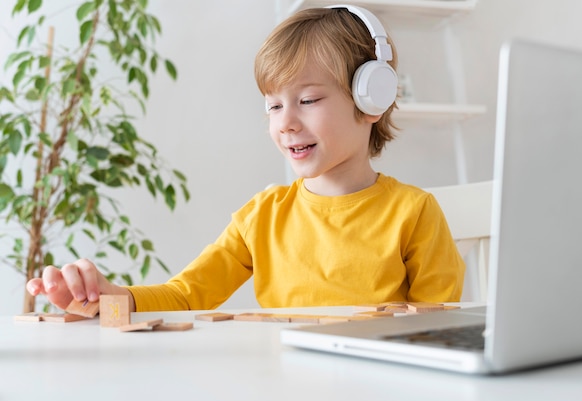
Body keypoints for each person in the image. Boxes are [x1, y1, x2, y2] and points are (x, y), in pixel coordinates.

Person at [27, 5, 465, 312]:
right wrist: (112, 298)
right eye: (274, 106)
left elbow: (438, 325)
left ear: (373, 98)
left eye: (308, 99)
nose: (285, 122)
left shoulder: (414, 212)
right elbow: (185, 295)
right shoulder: (261, 218)